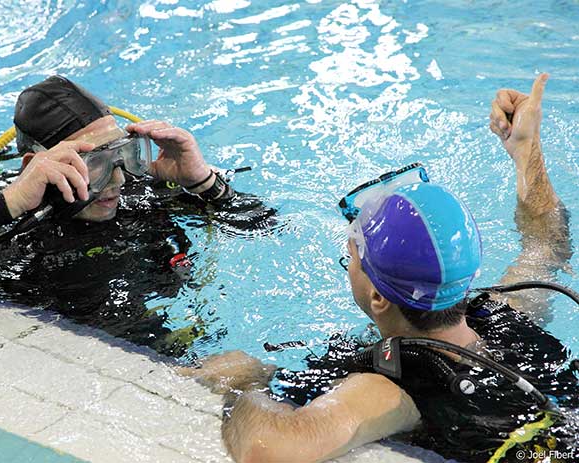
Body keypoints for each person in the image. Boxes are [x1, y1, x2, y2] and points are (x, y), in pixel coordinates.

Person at [181, 73, 579, 463]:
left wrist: (246, 384)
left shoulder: (391, 388)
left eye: (352, 257)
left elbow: (267, 452)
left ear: (377, 296)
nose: (348, 260)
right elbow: (547, 242)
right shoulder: (505, 317)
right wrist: (526, 151)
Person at [0, 76, 275, 355]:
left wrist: (203, 181)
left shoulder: (138, 190)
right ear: (36, 167)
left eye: (123, 154)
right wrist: (11, 203)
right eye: (92, 163)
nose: (117, 179)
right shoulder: (5, 230)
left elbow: (265, 227)